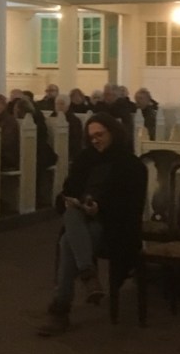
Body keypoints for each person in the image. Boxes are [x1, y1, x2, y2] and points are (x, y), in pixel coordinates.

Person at [38, 114, 147, 336]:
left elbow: (131, 207)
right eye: (91, 137)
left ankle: (61, 308)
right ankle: (87, 274)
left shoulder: (130, 164)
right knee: (71, 214)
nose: (95, 140)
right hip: (81, 219)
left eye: (100, 135)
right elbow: (67, 191)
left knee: (67, 242)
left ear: (113, 133)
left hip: (111, 226)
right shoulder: (85, 159)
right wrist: (68, 201)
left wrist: (99, 209)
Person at [54, 93, 83, 162]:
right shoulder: (52, 117)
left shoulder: (74, 120)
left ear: (67, 106)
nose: (59, 106)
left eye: (62, 104)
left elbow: (75, 139)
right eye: (57, 104)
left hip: (69, 151)